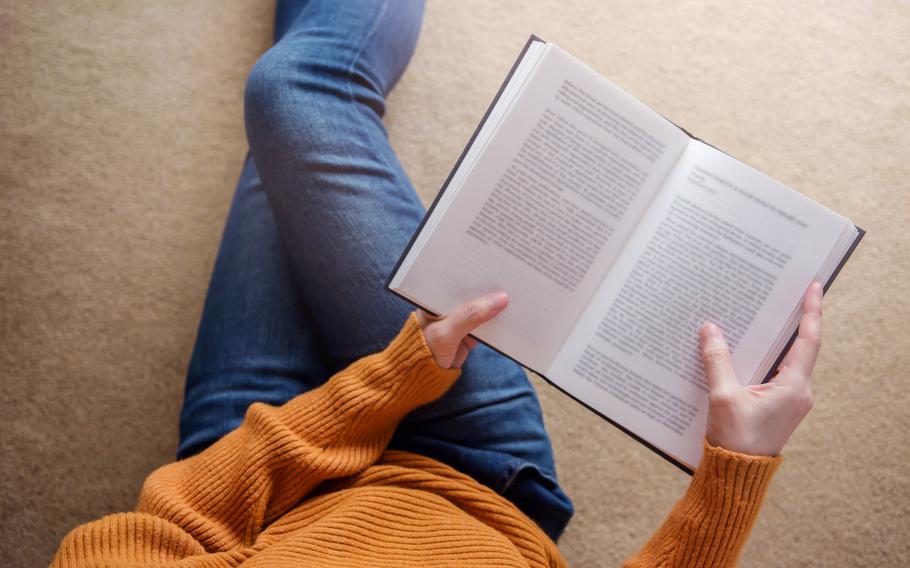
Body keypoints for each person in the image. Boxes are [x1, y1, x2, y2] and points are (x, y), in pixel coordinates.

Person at [50, 1, 823, 566]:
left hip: (256, 465)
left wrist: (391, 379)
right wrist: (734, 472)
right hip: (468, 468)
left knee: (284, 122)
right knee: (295, 98)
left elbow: (169, 517)